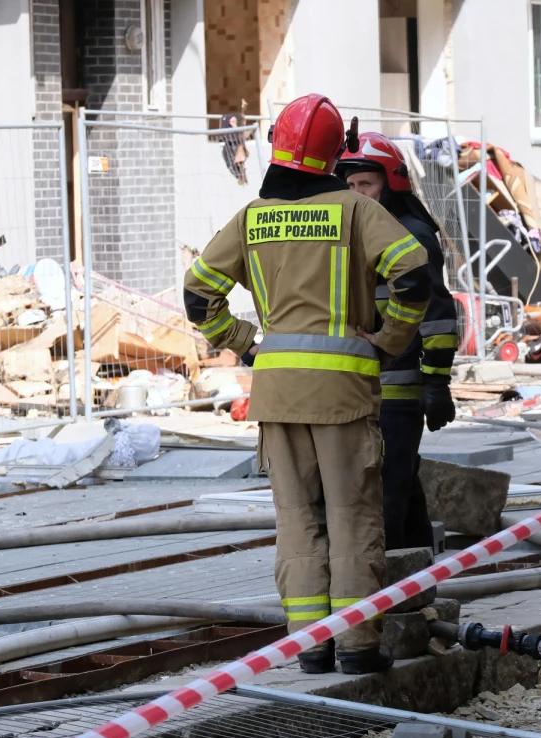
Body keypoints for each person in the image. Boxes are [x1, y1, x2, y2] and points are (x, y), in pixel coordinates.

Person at [182, 94, 431, 675]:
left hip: (277, 392)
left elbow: (198, 295)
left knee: (297, 519)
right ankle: (357, 646)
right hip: (342, 394)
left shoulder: (252, 217)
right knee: (352, 516)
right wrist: (391, 338)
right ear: (336, 153)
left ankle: (310, 647)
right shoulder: (355, 211)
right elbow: (414, 275)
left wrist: (245, 342)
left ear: (276, 144)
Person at [335, 131, 458, 552]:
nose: (356, 195)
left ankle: (389, 599)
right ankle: (419, 589)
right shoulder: (356, 234)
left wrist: (436, 384)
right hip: (363, 389)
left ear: (392, 183)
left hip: (398, 393)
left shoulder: (412, 235)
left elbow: (438, 316)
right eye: (348, 187)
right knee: (403, 493)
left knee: (386, 498)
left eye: (365, 184)